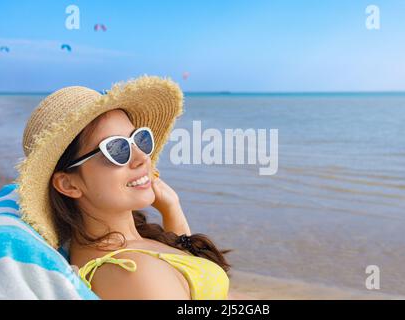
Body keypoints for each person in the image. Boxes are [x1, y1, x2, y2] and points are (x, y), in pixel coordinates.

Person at [14, 75, 252, 300]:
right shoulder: (133, 274)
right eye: (117, 149)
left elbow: (184, 272)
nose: (142, 158)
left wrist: (171, 208)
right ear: (68, 184)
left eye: (140, 140)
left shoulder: (126, 243)